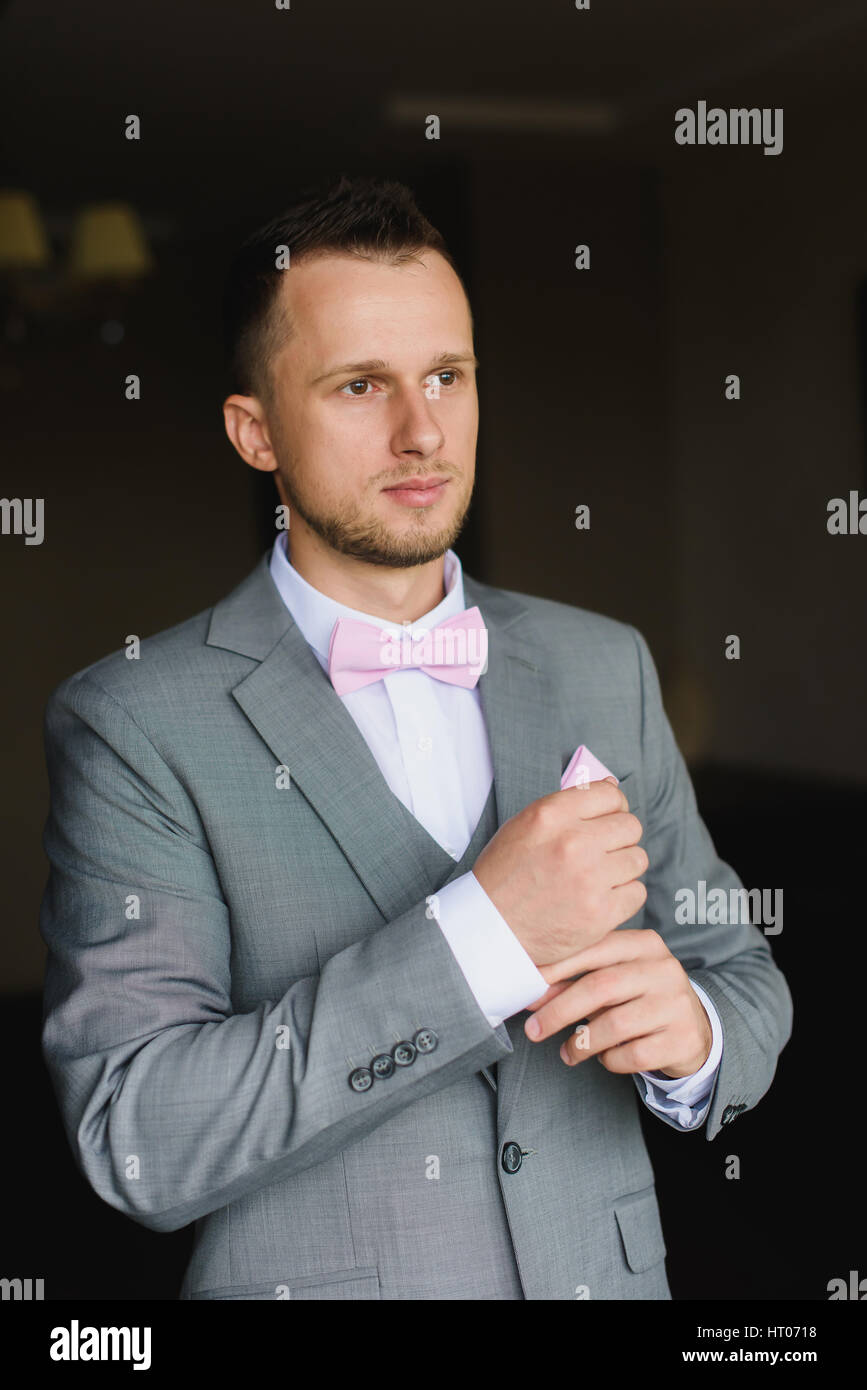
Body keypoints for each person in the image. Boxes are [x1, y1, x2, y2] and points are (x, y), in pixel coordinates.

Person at [39, 175, 792, 1300]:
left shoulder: (604, 663)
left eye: (448, 375)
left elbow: (738, 967)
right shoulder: (134, 721)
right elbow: (139, 1134)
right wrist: (482, 933)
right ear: (257, 433)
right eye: (360, 385)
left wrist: (697, 1041)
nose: (423, 429)